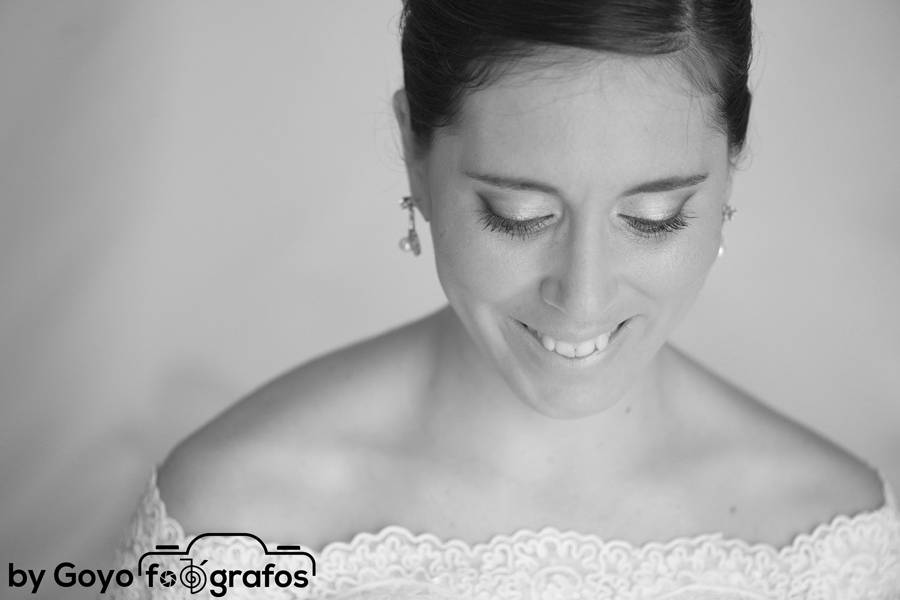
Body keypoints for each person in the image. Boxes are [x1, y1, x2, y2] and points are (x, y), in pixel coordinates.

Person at [107, 1, 900, 598]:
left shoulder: (832, 539)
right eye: (518, 217)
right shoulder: (231, 528)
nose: (581, 295)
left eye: (653, 219)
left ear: (732, 165)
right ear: (416, 154)